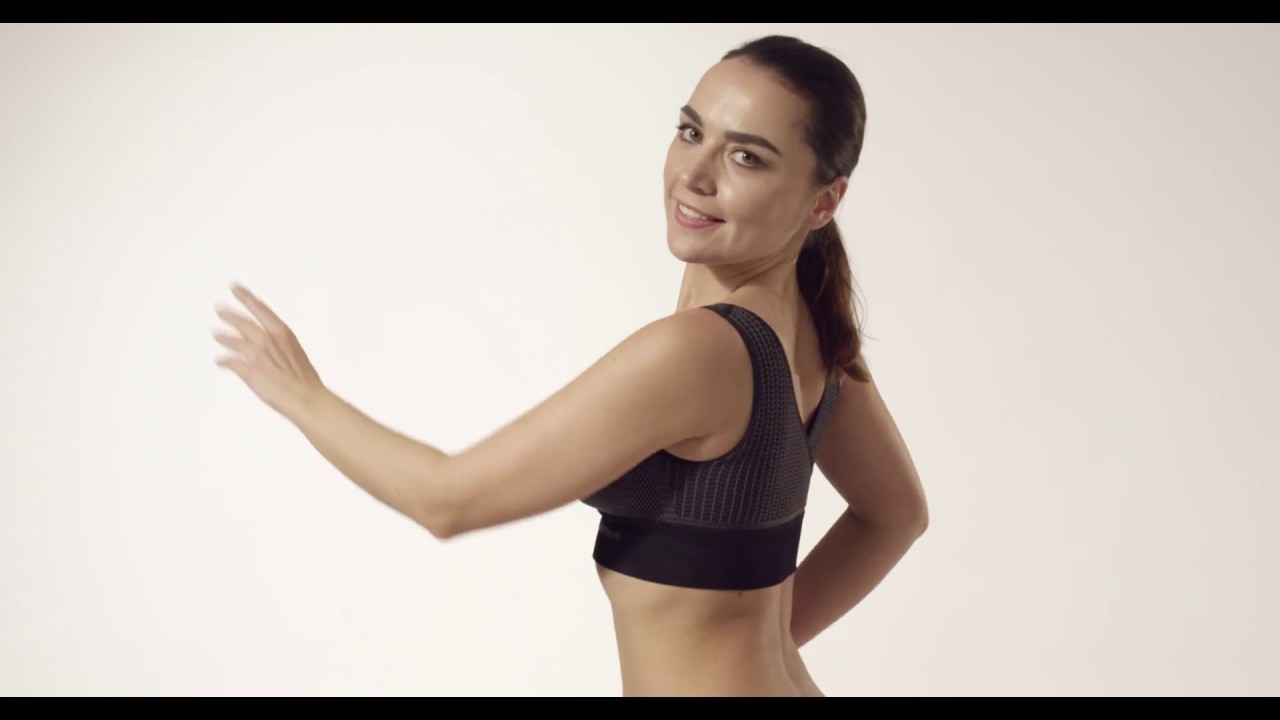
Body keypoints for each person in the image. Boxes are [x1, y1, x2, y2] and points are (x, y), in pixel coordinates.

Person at [211, 34, 929, 697]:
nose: (693, 174)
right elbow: (896, 516)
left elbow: (447, 499)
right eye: (690, 132)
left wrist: (299, 392)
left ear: (823, 202)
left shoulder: (699, 352)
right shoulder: (814, 332)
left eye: (746, 157)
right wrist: (754, 647)